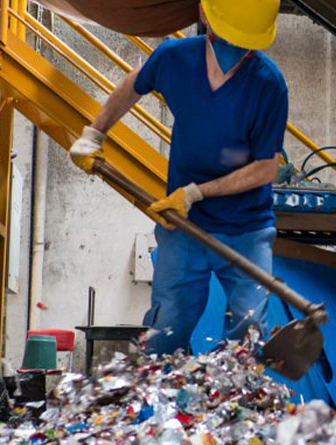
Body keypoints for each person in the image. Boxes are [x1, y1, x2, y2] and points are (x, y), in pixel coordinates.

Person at [68, 0, 288, 355]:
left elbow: (266, 167)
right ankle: (162, 401)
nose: (237, 50)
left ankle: (231, 397)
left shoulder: (269, 85)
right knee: (167, 325)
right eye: (231, 36)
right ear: (205, 15)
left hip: (245, 228)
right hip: (183, 222)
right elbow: (132, 86)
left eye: (246, 43)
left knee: (248, 330)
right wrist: (95, 133)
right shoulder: (174, 59)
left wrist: (196, 192)